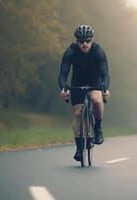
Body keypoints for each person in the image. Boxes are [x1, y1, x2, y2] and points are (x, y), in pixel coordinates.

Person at [58, 25, 110, 161]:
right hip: (77, 81)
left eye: (87, 40)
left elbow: (105, 74)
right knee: (77, 113)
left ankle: (98, 128)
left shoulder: (98, 51)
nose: (84, 44)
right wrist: (64, 88)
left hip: (95, 80)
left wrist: (104, 88)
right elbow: (63, 74)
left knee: (96, 99)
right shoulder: (71, 51)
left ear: (91, 40)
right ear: (77, 41)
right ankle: (79, 148)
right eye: (81, 41)